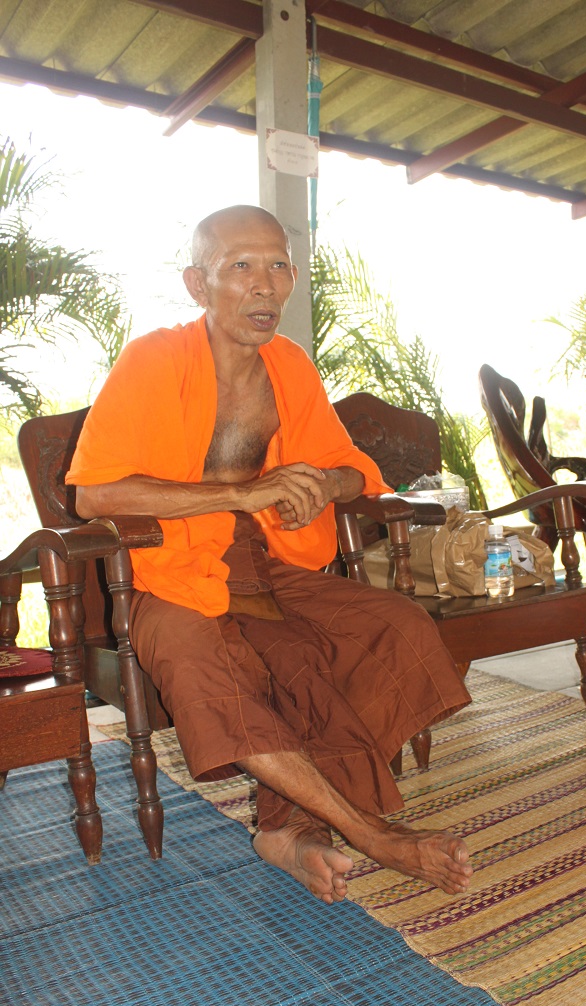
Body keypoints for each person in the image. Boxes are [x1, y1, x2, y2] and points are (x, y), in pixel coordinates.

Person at [67, 204, 473, 903]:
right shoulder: (154, 359)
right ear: (197, 284)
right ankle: (372, 833)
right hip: (164, 571)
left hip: (266, 562)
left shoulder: (289, 365)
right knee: (204, 665)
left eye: (279, 265)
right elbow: (94, 495)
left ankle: (286, 829)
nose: (265, 284)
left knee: (396, 627)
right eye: (241, 266)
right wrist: (242, 492)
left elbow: (352, 469)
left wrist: (318, 489)